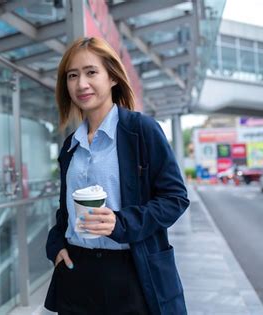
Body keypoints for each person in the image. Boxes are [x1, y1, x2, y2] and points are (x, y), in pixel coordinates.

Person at [44, 37, 190, 315]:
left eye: (91, 72)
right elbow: (65, 213)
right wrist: (56, 245)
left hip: (131, 272)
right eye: (72, 76)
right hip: (77, 274)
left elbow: (175, 199)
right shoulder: (70, 146)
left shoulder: (142, 131)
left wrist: (120, 222)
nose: (81, 84)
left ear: (112, 77)